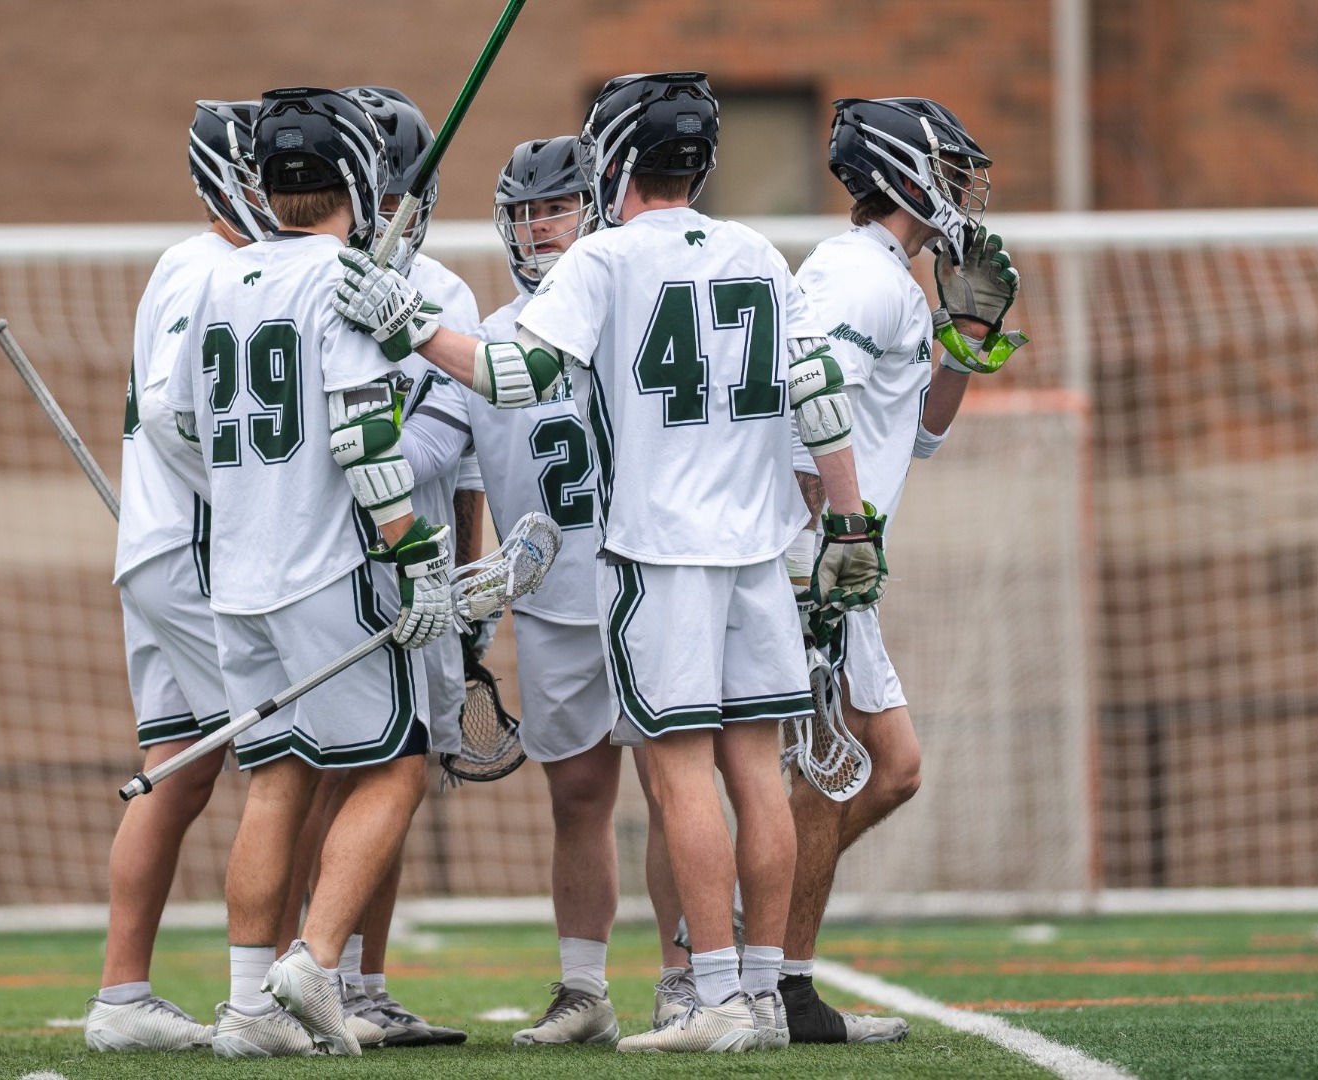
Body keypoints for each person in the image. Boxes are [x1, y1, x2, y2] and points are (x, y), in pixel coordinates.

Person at [330, 71, 889, 1053]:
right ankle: (757, 994)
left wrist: (407, 324)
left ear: (615, 163)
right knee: (752, 778)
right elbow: (820, 386)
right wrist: (850, 530)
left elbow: (512, 372)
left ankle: (710, 992)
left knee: (680, 784)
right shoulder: (758, 248)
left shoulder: (607, 261)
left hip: (659, 557)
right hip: (756, 555)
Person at [146, 85, 455, 1058]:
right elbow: (369, 442)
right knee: (399, 766)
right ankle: (313, 962)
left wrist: (248, 496)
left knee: (273, 780)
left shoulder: (214, 282)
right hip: (328, 571)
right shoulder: (345, 282)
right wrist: (416, 556)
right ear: (357, 179)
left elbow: (180, 425)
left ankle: (245, 1012)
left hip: (236, 578)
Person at [781, 96, 1026, 1045]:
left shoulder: (887, 276)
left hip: (838, 554)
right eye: (953, 168)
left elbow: (919, 433)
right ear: (906, 170)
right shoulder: (856, 276)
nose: (968, 187)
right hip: (818, 555)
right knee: (847, 772)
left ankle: (759, 944)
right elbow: (808, 396)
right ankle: (768, 967)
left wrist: (963, 339)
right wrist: (832, 529)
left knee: (879, 771)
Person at [394, 135, 627, 1045]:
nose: (540, 225)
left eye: (558, 206)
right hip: (550, 597)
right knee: (577, 798)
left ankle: (699, 981)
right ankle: (584, 989)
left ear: (595, 208)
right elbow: (453, 471)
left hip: (651, 583)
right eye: (527, 210)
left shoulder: (627, 315)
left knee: (683, 780)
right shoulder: (482, 335)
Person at [278, 84, 478, 1050]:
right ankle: (308, 969)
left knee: (386, 773)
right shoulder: (302, 281)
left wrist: (468, 607)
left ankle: (359, 982)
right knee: (346, 776)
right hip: (346, 570)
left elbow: (453, 454)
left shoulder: (439, 291)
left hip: (408, 572)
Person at [84, 99, 275, 1053]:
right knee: (297, 753)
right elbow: (168, 410)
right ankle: (277, 992)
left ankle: (123, 997)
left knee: (174, 773)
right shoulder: (207, 266)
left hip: (161, 547)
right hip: (199, 548)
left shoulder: (199, 266)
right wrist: (249, 495)